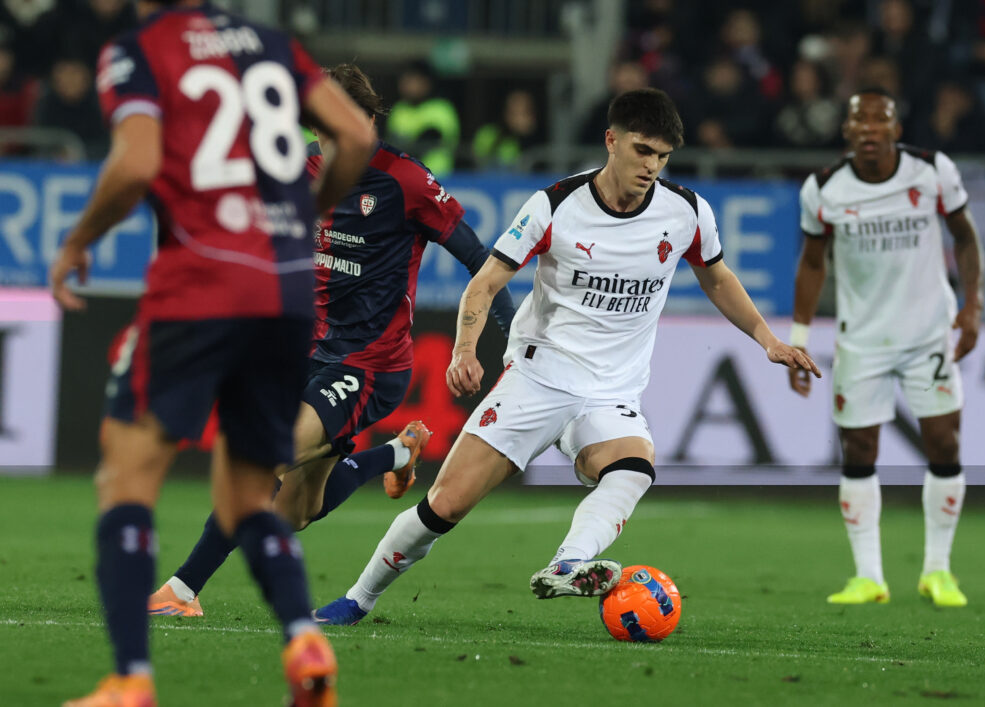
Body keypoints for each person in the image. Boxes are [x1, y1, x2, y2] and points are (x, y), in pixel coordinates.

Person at [313, 87, 820, 625]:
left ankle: (569, 563)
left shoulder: (687, 212)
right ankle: (358, 598)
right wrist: (465, 349)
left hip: (610, 390)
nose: (652, 166)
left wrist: (769, 339)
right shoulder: (554, 205)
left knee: (634, 467)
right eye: (643, 150)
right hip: (538, 375)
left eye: (663, 156)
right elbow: (485, 284)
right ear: (611, 140)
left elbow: (716, 277)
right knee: (447, 503)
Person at [49, 1, 376, 705]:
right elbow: (354, 133)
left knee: (127, 476)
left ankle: (130, 679)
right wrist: (307, 217)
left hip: (198, 283)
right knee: (246, 487)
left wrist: (79, 239)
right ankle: (302, 637)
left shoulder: (139, 51)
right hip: (286, 292)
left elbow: (136, 161)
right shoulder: (272, 43)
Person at [146, 63, 516, 619]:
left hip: (370, 366)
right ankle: (396, 453)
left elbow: (481, 263)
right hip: (304, 355)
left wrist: (506, 343)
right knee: (294, 511)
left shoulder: (407, 182)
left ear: (369, 120)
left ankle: (182, 590)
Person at [789, 88, 984, 608]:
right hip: (863, 340)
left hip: (928, 335)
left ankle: (938, 572)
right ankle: (868, 577)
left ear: (897, 129)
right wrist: (800, 340)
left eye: (881, 121)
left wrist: (973, 306)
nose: (870, 130)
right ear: (848, 132)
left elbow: (965, 237)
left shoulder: (931, 171)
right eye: (861, 122)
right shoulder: (824, 189)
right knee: (859, 451)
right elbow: (812, 263)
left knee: (944, 444)